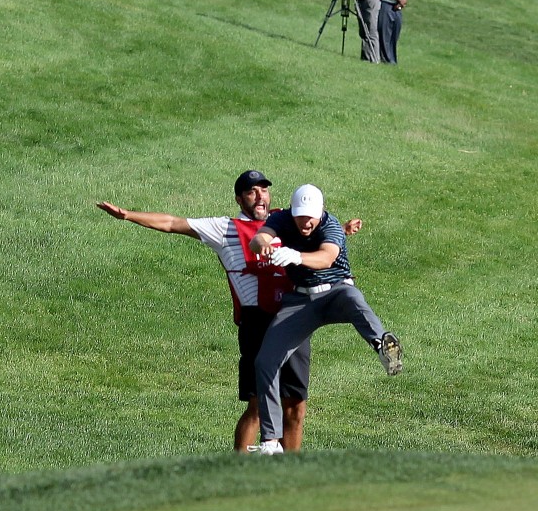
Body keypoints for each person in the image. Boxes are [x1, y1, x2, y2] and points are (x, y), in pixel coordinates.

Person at [97, 171, 363, 452]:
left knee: (296, 406)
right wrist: (129, 215)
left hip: (295, 316)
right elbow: (173, 223)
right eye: (251, 192)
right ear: (239, 199)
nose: (260, 196)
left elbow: (317, 237)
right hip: (257, 322)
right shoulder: (225, 229)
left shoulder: (284, 220)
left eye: (263, 190)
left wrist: (341, 231)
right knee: (259, 404)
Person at [248, 184, 403, 456]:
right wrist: (267, 245)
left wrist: (296, 255)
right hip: (300, 302)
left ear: (320, 212)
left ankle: (383, 346)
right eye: (300, 216)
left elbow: (326, 258)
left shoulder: (330, 226)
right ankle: (271, 441)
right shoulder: (282, 218)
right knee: (265, 361)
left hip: (335, 292)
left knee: (355, 300)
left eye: (310, 216)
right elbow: (256, 240)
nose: (305, 222)